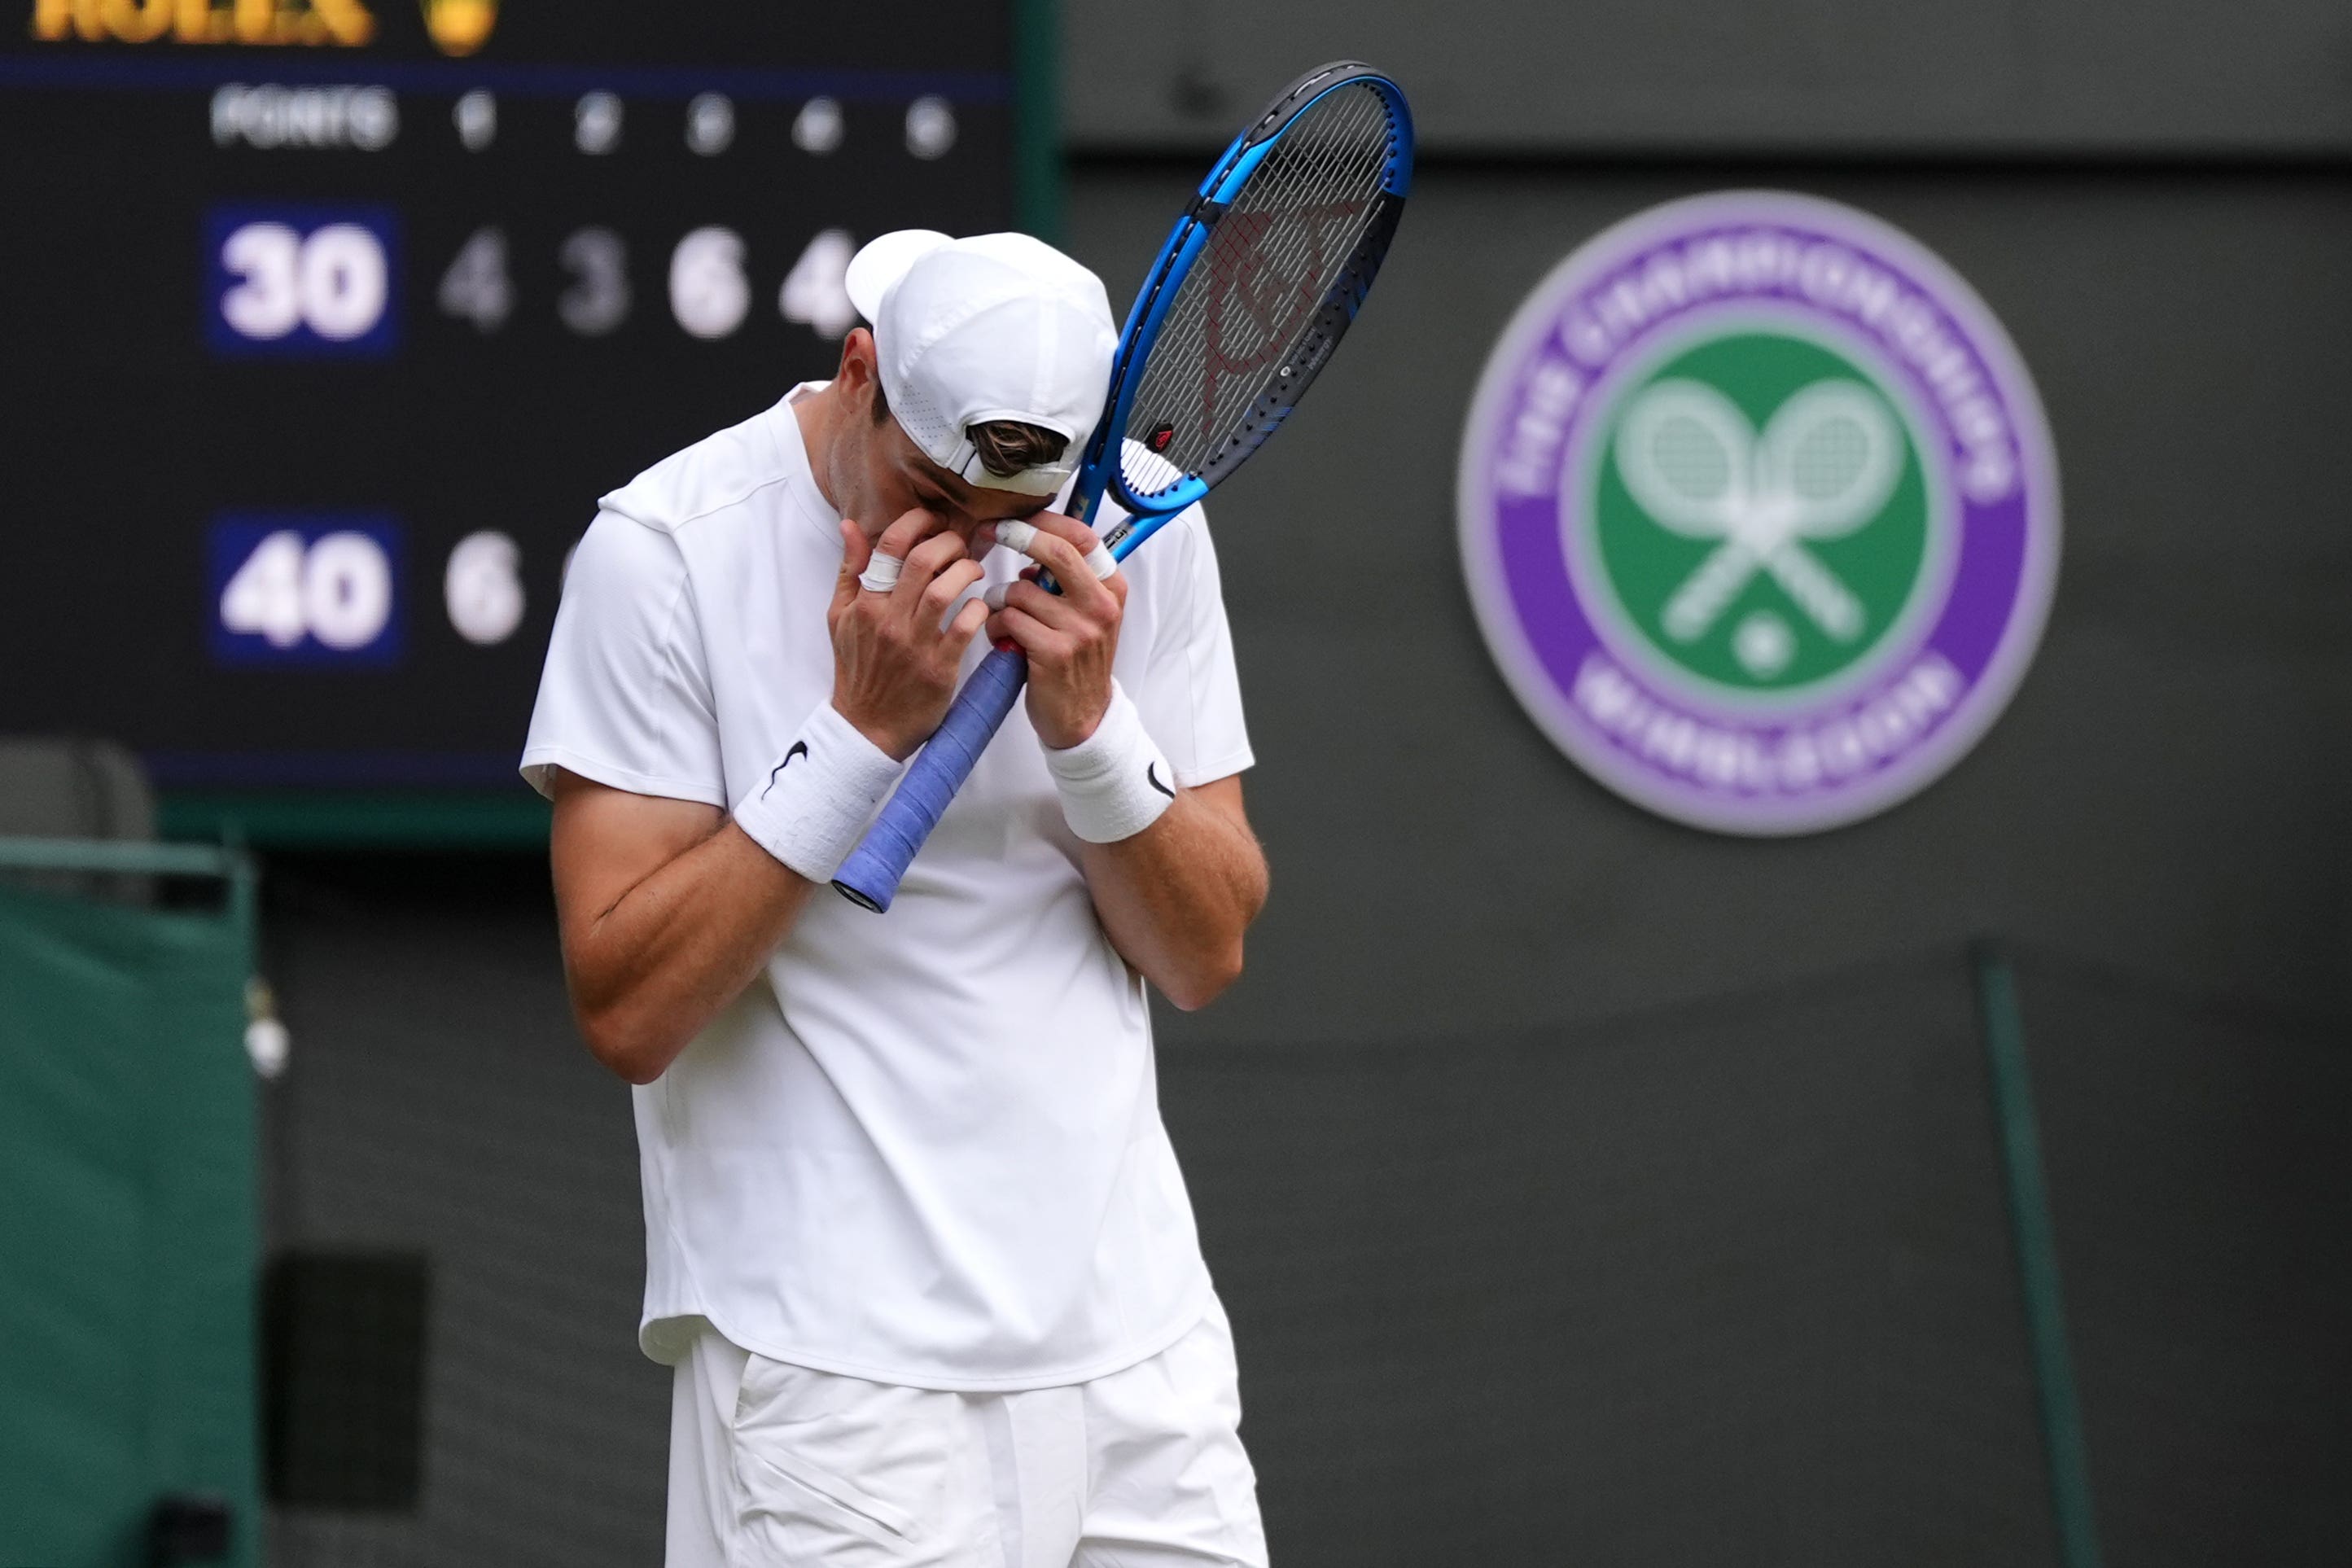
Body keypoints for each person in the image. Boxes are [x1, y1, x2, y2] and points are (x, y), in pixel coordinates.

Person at [521, 230, 1272, 1566]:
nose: (972, 539)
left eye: (1011, 506)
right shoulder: (657, 554)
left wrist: (1091, 728)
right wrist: (858, 737)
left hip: (1140, 1354)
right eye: (935, 488)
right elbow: (627, 1008)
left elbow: (1205, 950)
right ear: (856, 371)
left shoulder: (1136, 521)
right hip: (830, 1377)